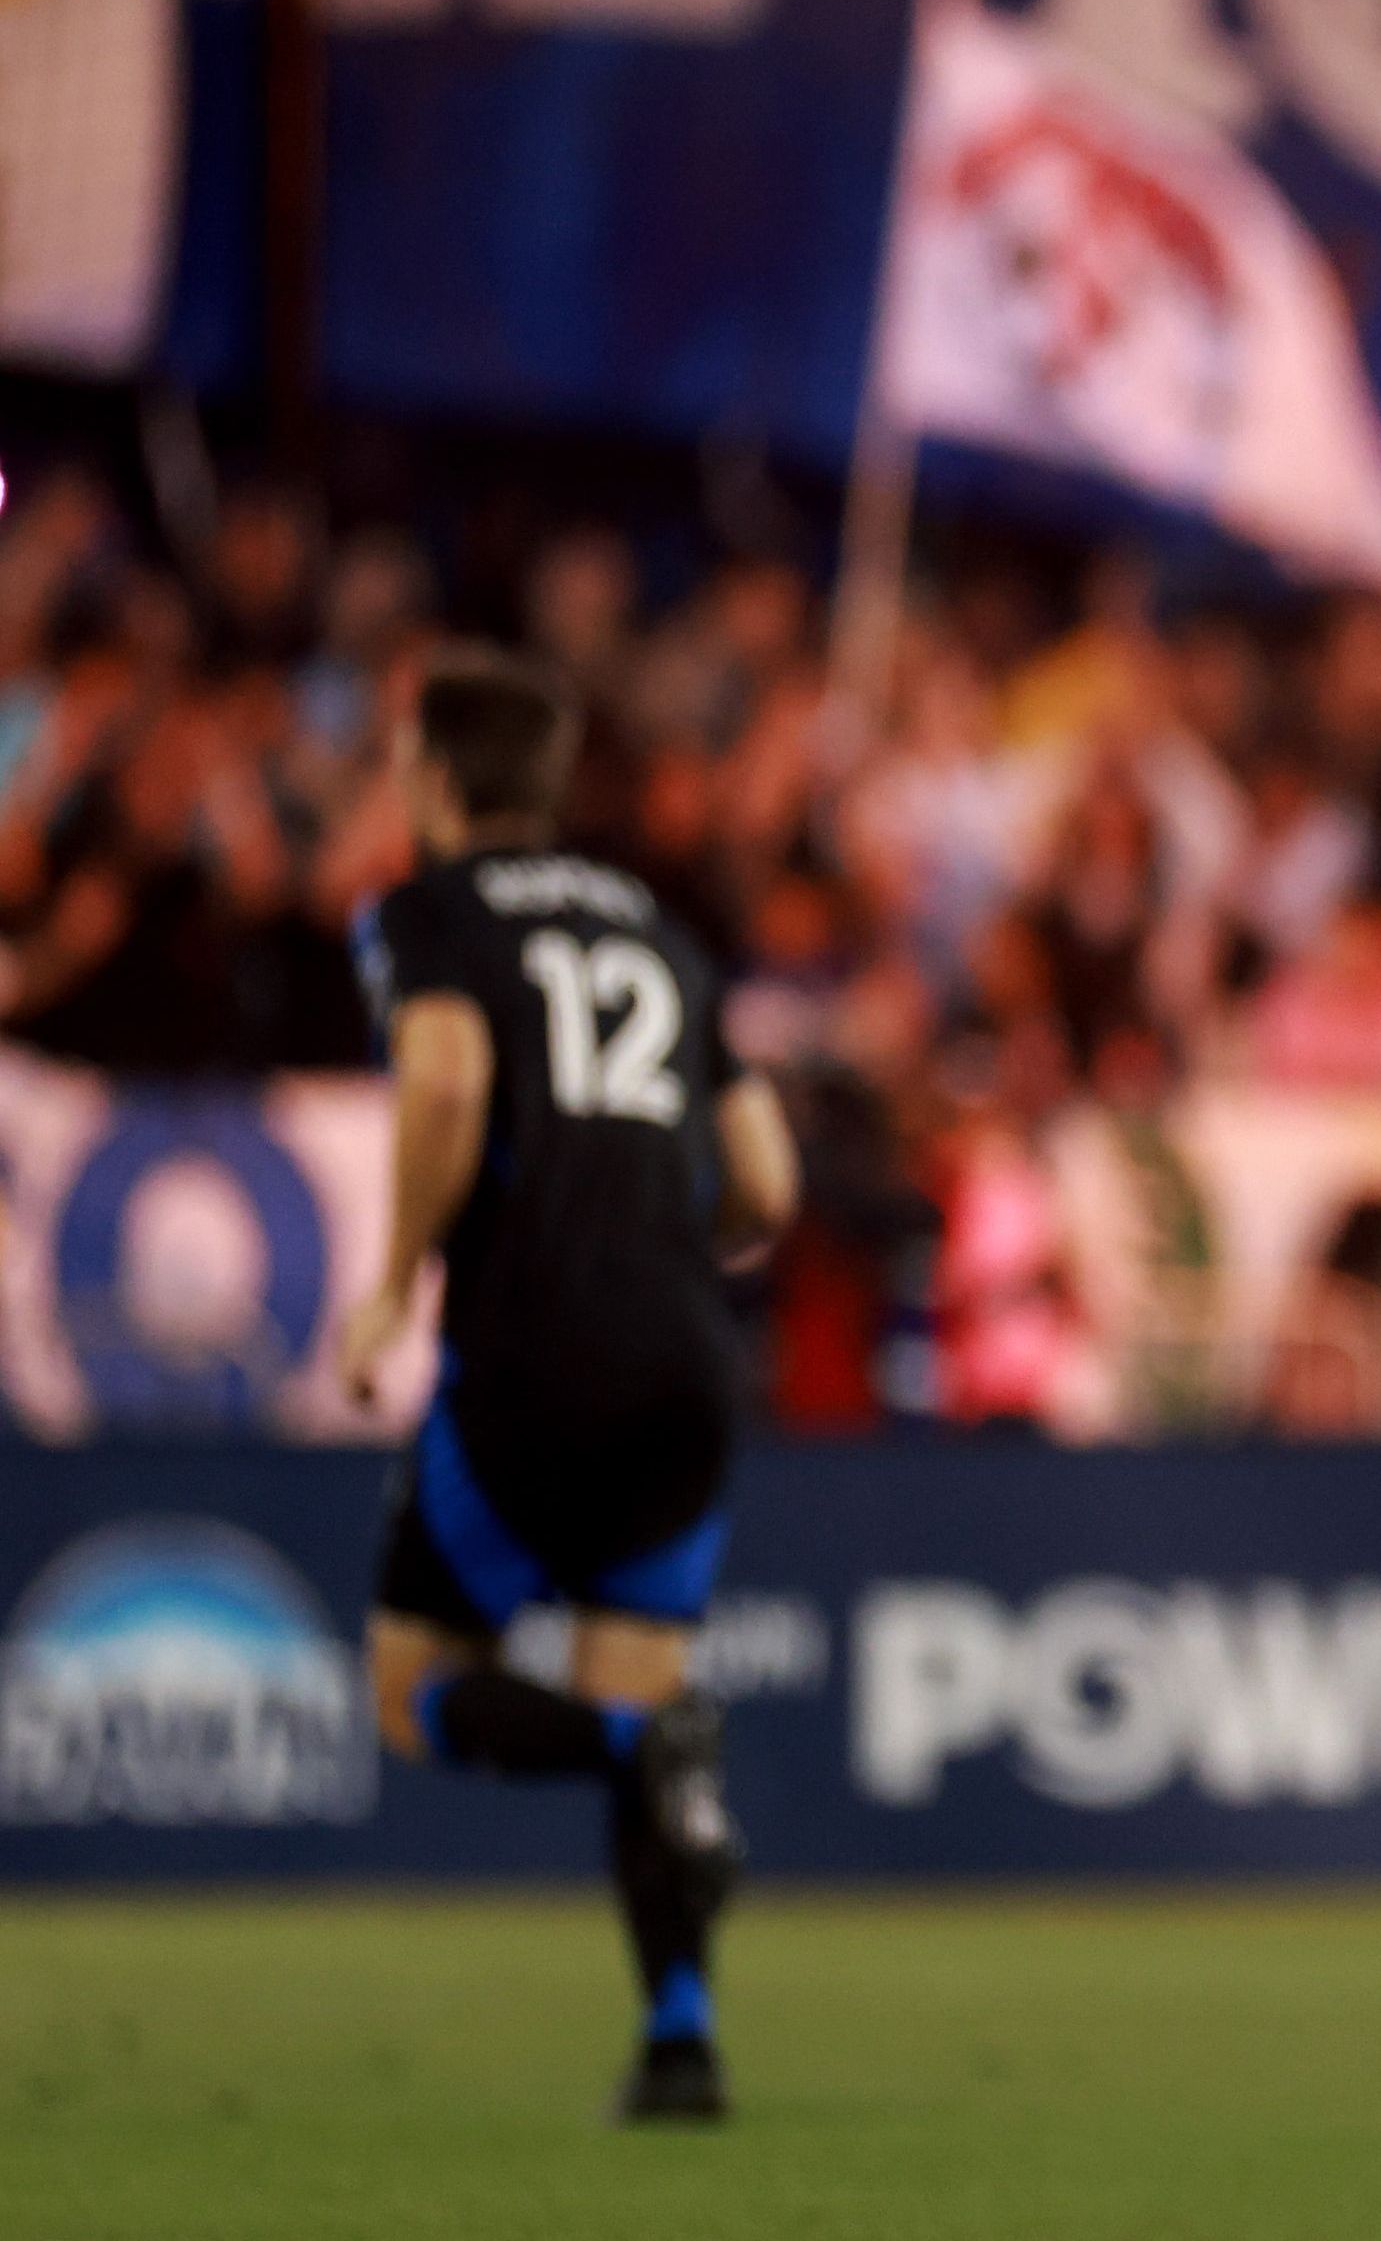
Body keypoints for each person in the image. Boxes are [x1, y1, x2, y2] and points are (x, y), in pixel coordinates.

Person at [332, 653, 800, 2121]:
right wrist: (664, 1237)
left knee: (411, 1688)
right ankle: (681, 2039)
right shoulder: (660, 928)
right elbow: (767, 1180)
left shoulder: (429, 912)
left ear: (431, 779)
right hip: (687, 1364)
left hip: (536, 1355)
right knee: (638, 1671)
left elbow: (449, 1081)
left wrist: (395, 1274)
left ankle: (634, 1743)